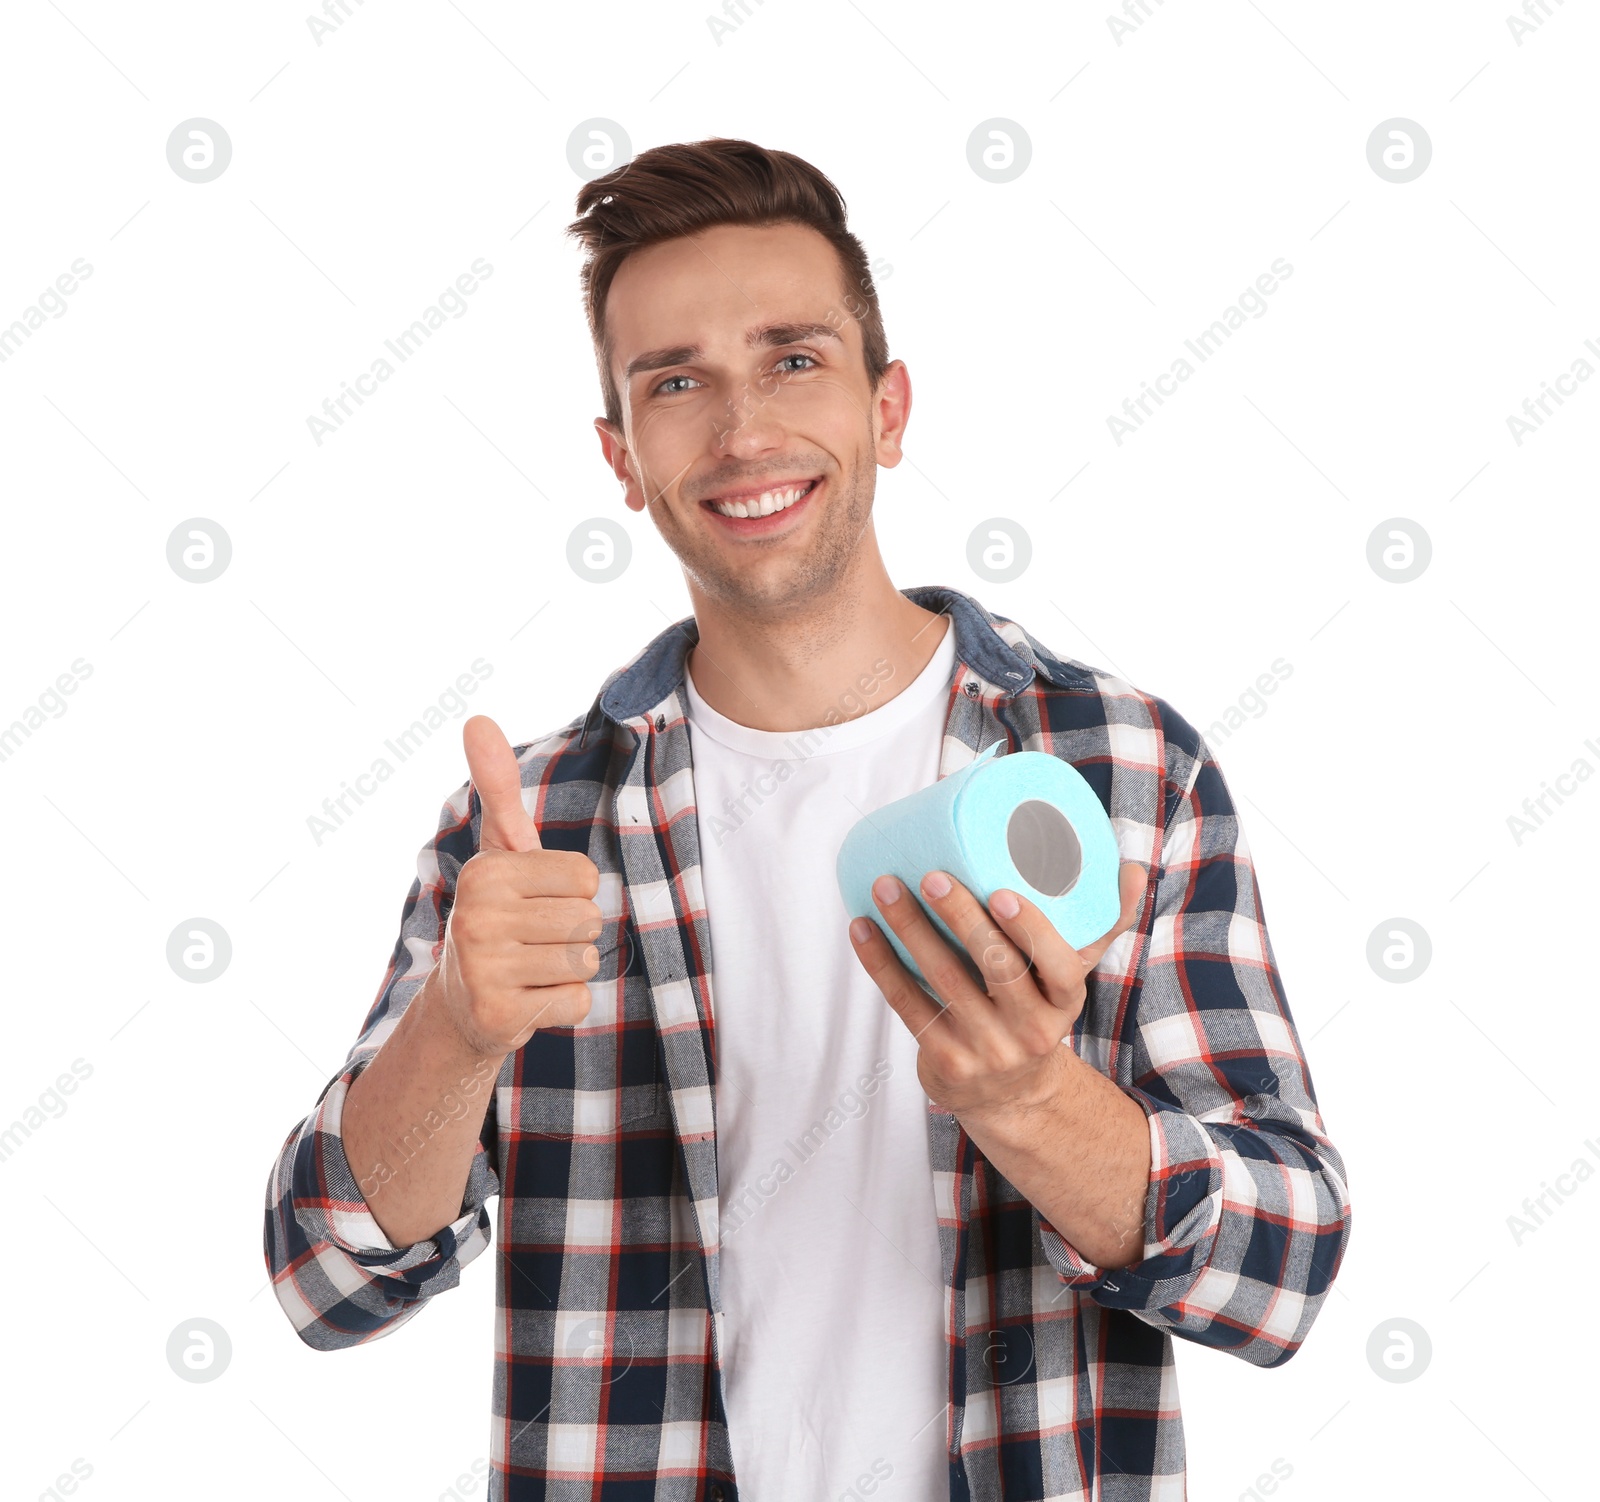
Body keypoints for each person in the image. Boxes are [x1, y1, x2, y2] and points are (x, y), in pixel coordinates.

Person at [263, 137, 1351, 1502]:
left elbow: (1284, 1265)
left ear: (888, 409)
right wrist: (458, 1029)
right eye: (676, 383)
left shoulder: (1122, 770)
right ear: (621, 454)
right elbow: (325, 1278)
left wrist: (1030, 1097)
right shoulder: (530, 830)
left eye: (793, 358)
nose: (742, 432)